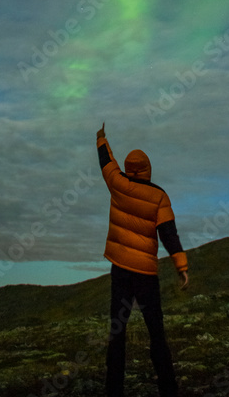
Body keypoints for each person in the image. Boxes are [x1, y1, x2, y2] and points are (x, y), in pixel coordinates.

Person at [96, 121, 188, 397]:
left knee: (118, 332)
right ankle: (168, 389)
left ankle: (114, 390)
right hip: (146, 274)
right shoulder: (159, 196)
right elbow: (168, 234)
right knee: (156, 332)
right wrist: (181, 266)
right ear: (148, 169)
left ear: (128, 168)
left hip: (120, 269)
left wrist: (101, 138)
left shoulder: (117, 184)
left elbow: (106, 162)